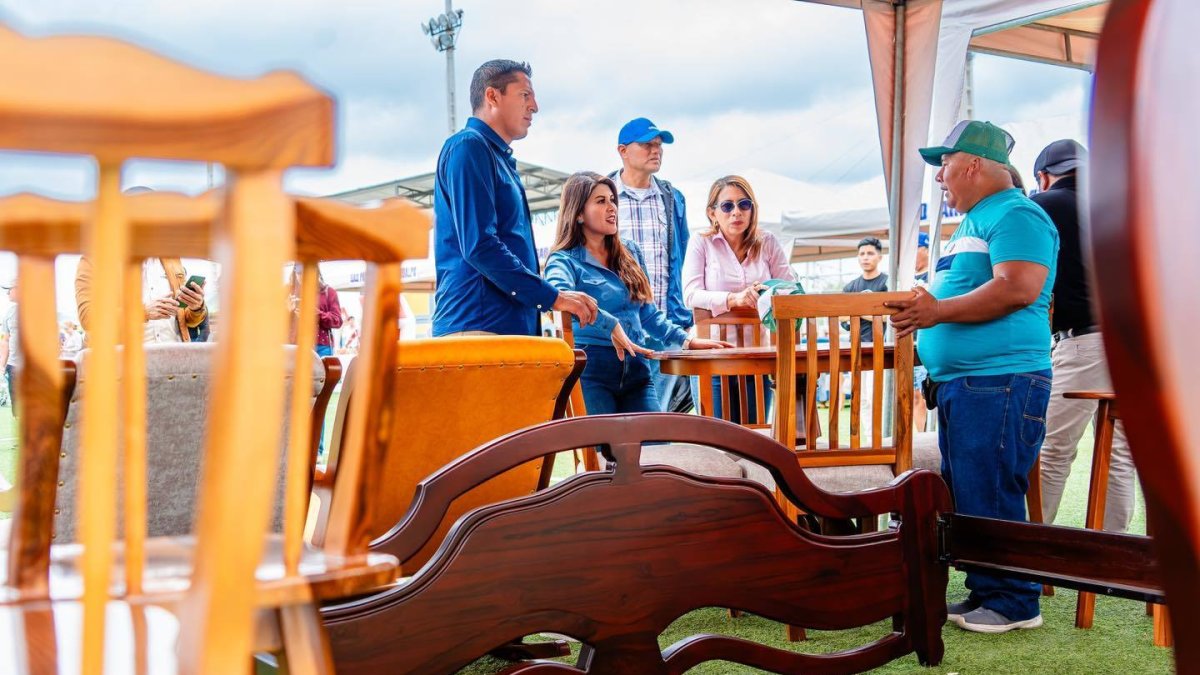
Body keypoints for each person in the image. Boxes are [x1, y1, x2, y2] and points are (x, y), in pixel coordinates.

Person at [889, 120, 1059, 634]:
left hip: (1001, 379)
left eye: (944, 165)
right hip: (976, 381)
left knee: (992, 486)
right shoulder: (981, 218)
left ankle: (1014, 601)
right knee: (973, 486)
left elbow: (1018, 288)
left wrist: (936, 313)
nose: (940, 177)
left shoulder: (1016, 213)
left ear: (975, 165)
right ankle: (990, 589)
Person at [432, 59, 596, 337]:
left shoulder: (497, 158)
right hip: (478, 329)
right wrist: (552, 297)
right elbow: (480, 245)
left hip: (503, 330)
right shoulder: (469, 147)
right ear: (492, 96)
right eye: (525, 95)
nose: (534, 106)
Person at [544, 172, 729, 414]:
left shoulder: (630, 252)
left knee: (655, 445)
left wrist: (687, 341)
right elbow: (561, 299)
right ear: (578, 213)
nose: (612, 208)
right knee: (604, 450)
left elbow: (648, 313)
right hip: (592, 369)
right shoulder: (563, 260)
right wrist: (609, 324)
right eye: (601, 201)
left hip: (637, 366)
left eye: (612, 200)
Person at [1030, 140, 1133, 533]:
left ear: (1044, 175)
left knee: (1052, 449)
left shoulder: (1044, 204)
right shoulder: (1118, 204)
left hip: (1085, 341)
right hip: (1131, 343)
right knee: (1118, 454)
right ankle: (1111, 556)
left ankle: (1032, 560)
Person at [683, 175, 795, 423]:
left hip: (757, 354)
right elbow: (690, 294)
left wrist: (768, 291)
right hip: (712, 353)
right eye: (727, 206)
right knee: (717, 441)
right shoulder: (701, 243)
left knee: (755, 438)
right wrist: (735, 299)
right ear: (712, 213)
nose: (737, 212)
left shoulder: (767, 242)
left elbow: (790, 289)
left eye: (744, 204)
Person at [608, 117, 693, 413]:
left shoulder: (672, 198)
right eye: (646, 144)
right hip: (618, 324)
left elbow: (681, 257)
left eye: (658, 145)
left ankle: (652, 460)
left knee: (657, 413)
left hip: (663, 324)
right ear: (622, 150)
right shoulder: (603, 195)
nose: (655, 150)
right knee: (616, 416)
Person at [75, 257, 207, 343]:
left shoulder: (172, 259)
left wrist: (196, 307)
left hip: (174, 366)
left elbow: (186, 319)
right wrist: (143, 312)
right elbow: (87, 317)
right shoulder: (95, 258)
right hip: (121, 369)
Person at [0, 280, 20, 417]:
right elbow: (5, 341)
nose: (7, 293)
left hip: (34, 366)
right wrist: (2, 365)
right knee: (17, 409)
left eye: (9, 289)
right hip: (13, 366)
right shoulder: (9, 312)